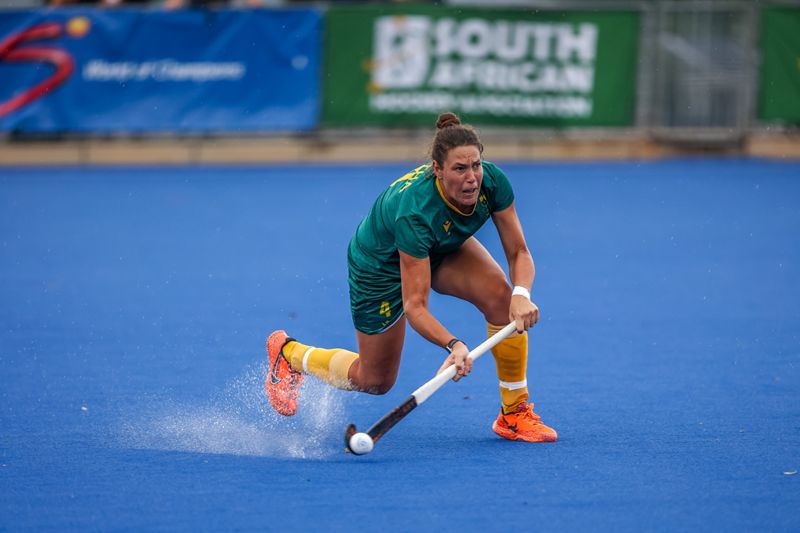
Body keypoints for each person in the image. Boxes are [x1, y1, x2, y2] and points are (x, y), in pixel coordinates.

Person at [266, 112, 557, 443]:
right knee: (374, 380)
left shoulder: (491, 181)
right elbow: (415, 306)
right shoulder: (414, 213)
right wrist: (454, 344)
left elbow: (519, 252)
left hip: (439, 243)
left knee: (503, 299)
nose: (472, 178)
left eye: (476, 165)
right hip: (380, 263)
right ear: (437, 170)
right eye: (459, 169)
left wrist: (521, 294)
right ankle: (289, 354)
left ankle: (514, 414)